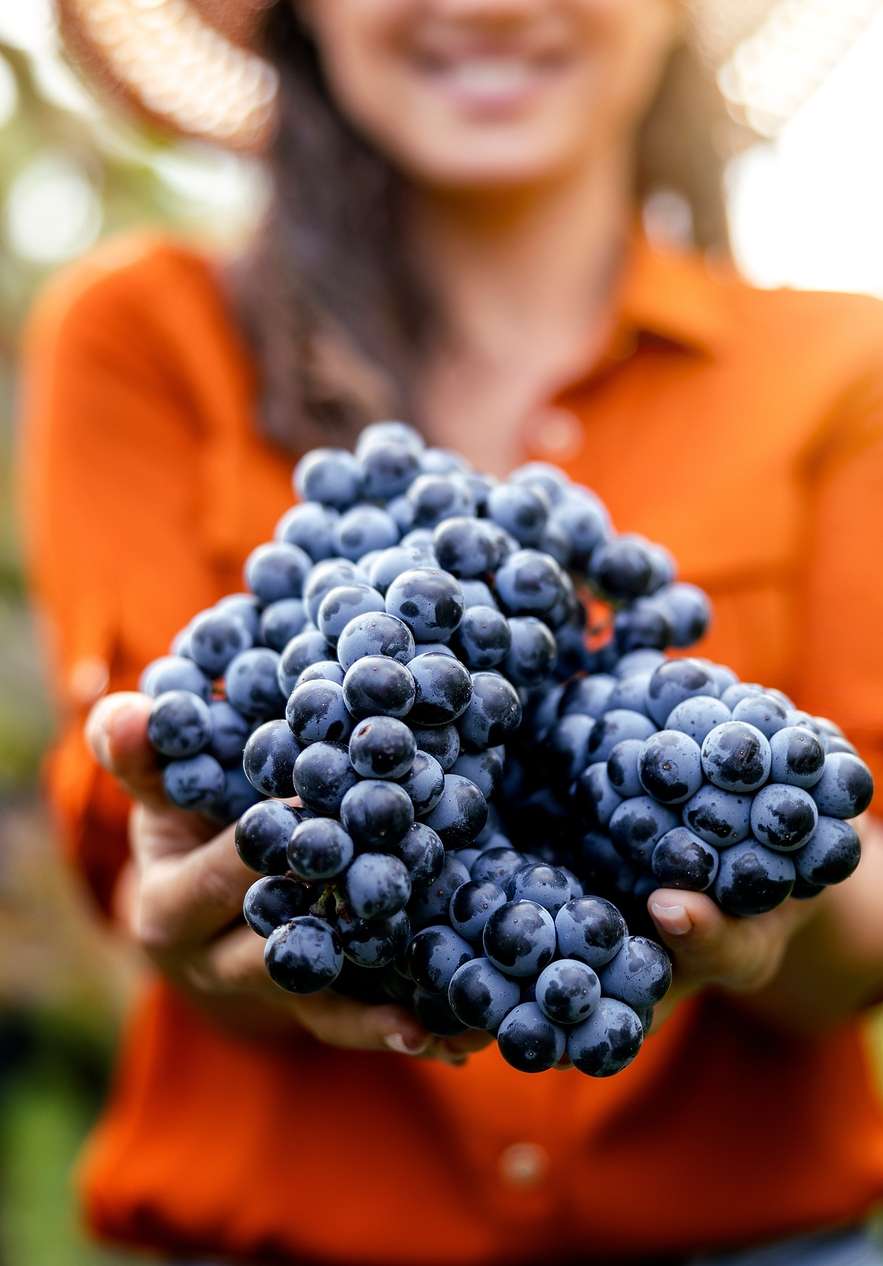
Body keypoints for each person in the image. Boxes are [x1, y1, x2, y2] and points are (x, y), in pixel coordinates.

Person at [18, 1, 883, 1263]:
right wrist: (240, 913)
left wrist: (786, 911)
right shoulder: (141, 336)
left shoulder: (842, 362)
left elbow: (866, 887)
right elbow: (157, 856)